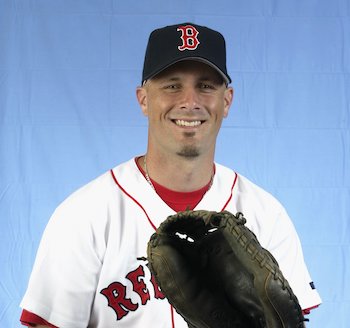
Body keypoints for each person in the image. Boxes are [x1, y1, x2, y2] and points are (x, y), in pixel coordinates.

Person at [20, 22, 321, 328]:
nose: (190, 101)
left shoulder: (267, 214)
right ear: (144, 99)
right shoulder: (84, 215)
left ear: (227, 100)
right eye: (172, 85)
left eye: (205, 85)